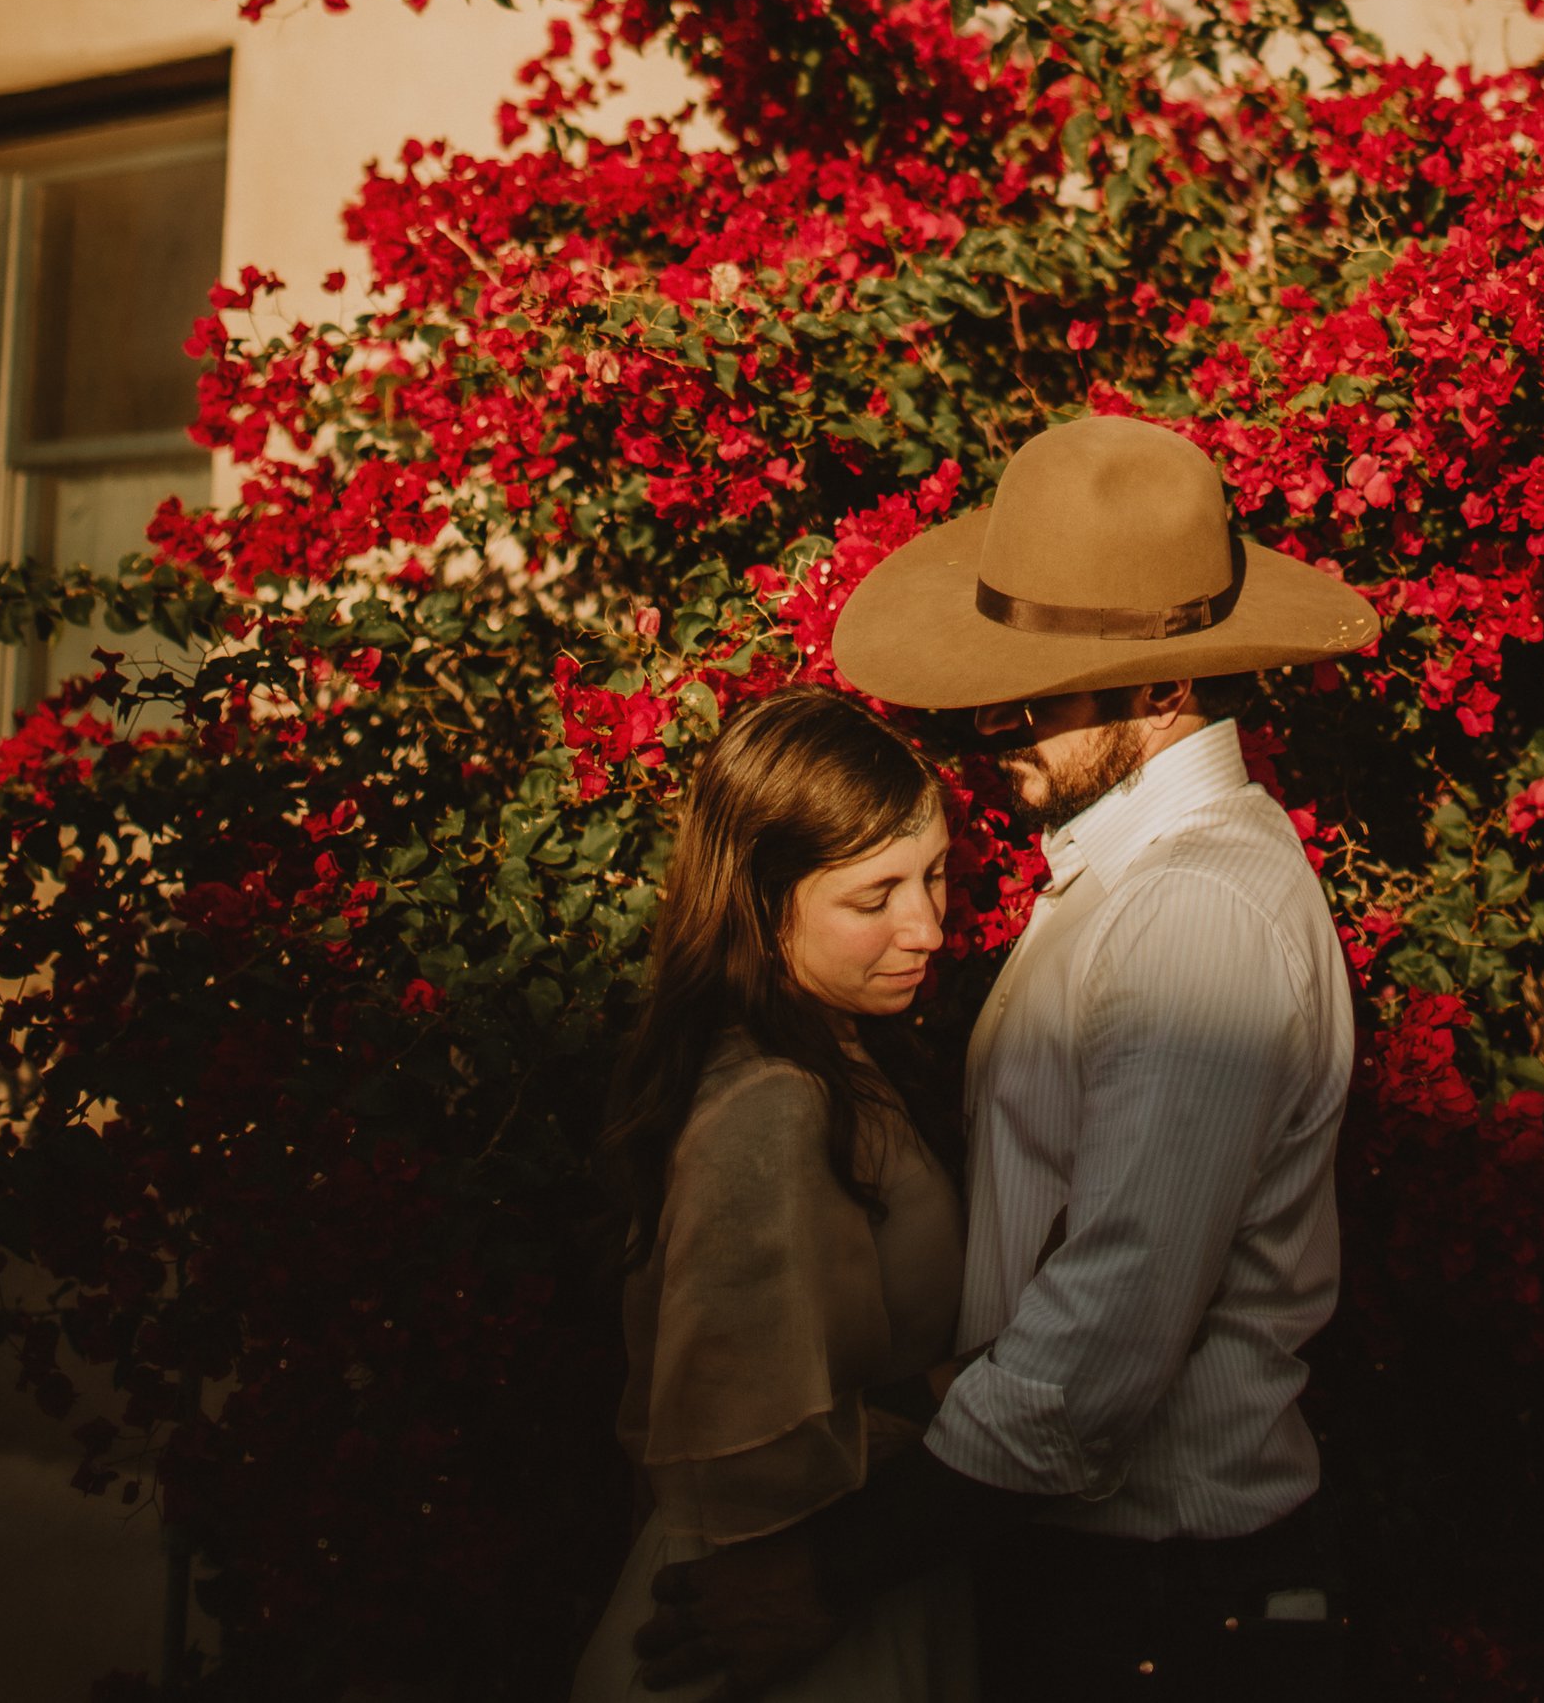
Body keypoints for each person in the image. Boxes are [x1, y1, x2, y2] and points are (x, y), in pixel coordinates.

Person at [639, 411, 1380, 1703]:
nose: (995, 720)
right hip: (1103, 1591)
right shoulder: (1128, 883)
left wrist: (825, 1571)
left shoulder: (1193, 915)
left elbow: (1103, 1338)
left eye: (1032, 694)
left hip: (1163, 1614)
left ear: (1161, 689)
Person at [573, 685, 977, 1703]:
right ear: (763, 899)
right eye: (874, 897)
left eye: (934, 877)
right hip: (781, 1616)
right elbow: (753, 1447)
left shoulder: (838, 1056)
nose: (926, 926)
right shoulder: (772, 1101)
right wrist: (958, 1387)